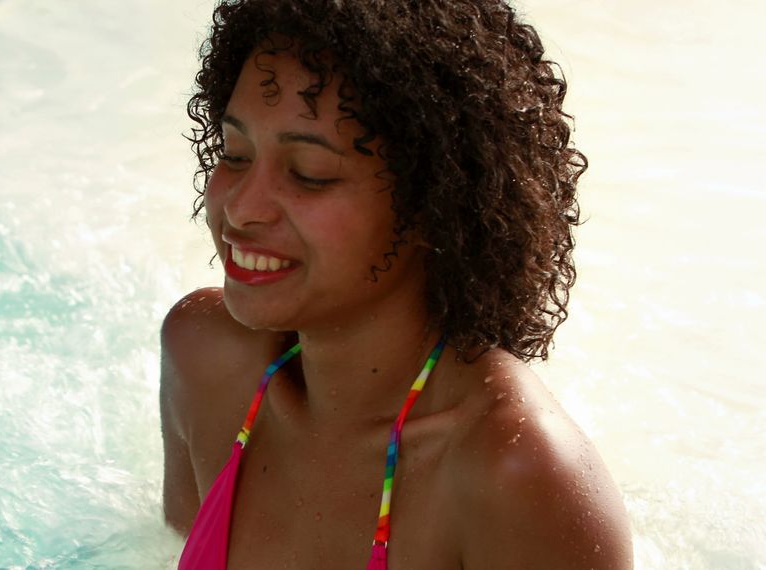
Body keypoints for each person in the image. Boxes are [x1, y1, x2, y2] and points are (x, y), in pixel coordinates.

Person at [159, 0, 633, 568]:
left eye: (309, 175)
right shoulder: (207, 360)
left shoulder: (512, 475)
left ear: (435, 201)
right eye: (236, 155)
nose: (239, 208)